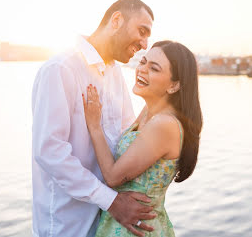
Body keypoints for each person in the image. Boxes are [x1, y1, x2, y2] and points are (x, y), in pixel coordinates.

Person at [32, 0, 156, 237]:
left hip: (106, 224)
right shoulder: (61, 69)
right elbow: (49, 151)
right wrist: (112, 201)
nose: (144, 43)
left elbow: (127, 137)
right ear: (117, 21)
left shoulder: (115, 72)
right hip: (67, 226)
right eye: (142, 32)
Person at [83, 40, 203, 236]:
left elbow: (113, 177)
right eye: (143, 62)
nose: (142, 70)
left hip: (137, 228)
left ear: (174, 85)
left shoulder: (164, 124)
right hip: (125, 222)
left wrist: (94, 126)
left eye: (154, 68)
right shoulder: (149, 111)